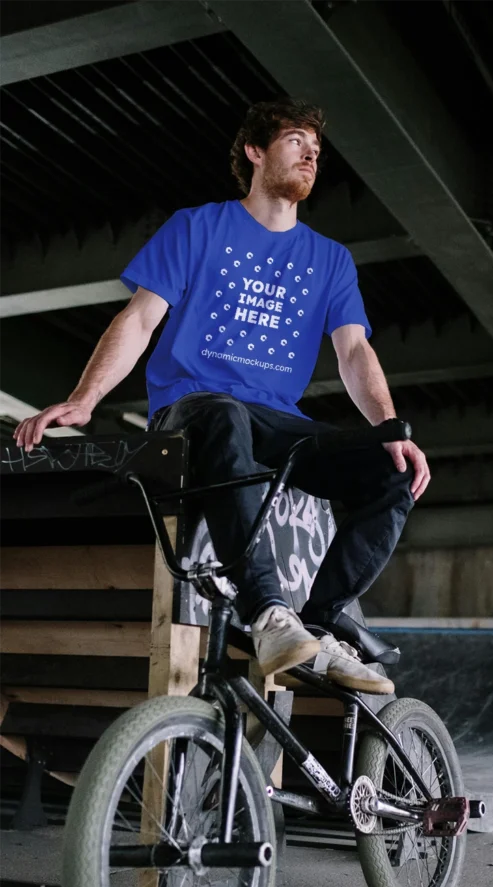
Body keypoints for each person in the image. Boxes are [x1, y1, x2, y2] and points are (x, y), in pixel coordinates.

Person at [13, 99, 430, 693]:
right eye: (294, 140)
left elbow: (354, 352)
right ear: (255, 152)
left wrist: (389, 428)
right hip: (194, 408)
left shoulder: (330, 260)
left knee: (389, 471)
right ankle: (269, 613)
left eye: (316, 148)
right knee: (225, 413)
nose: (311, 153)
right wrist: (85, 398)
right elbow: (138, 320)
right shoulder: (198, 227)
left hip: (277, 419)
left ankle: (318, 626)